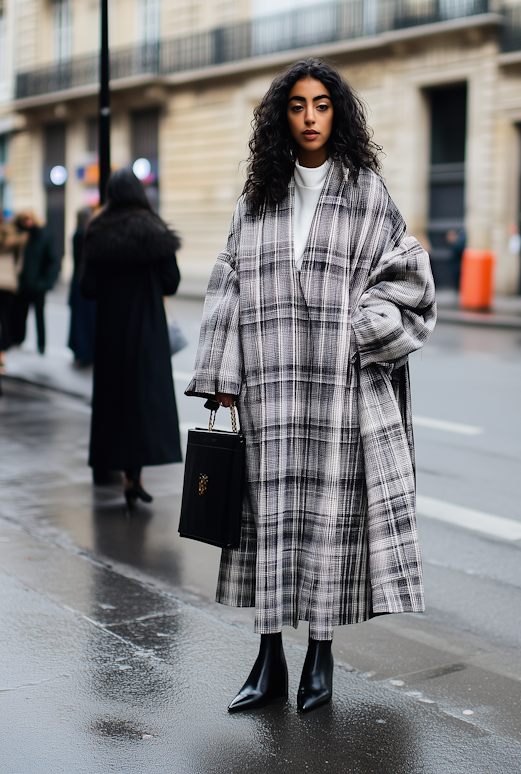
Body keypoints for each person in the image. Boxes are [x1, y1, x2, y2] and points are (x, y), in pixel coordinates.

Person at [186, 58, 437, 714]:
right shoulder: (258, 197)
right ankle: (267, 657)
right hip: (269, 389)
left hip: (336, 390)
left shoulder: (366, 192)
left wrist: (362, 330)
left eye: (321, 105)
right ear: (281, 116)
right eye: (297, 106)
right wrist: (222, 377)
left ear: (337, 112)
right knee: (265, 522)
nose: (309, 118)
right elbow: (229, 283)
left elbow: (406, 271)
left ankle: (319, 657)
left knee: (324, 523)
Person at [80, 168, 182, 507]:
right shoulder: (154, 229)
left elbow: (88, 287)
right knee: (144, 403)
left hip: (111, 333)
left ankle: (127, 475)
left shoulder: (97, 230)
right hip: (148, 330)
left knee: (116, 404)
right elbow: (171, 281)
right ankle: (136, 477)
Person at [12, 212, 59, 355]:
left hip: (38, 285)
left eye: (29, 218)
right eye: (23, 219)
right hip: (22, 284)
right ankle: (18, 340)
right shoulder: (18, 237)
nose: (27, 222)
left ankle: (41, 345)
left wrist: (46, 282)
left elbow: (52, 261)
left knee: (39, 316)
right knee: (20, 315)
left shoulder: (43, 236)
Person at [68, 207, 96, 365]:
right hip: (85, 279)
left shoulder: (78, 233)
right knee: (87, 320)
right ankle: (86, 352)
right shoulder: (85, 234)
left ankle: (82, 352)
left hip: (78, 279)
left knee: (80, 320)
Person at [0, 215, 29, 372]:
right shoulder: (15, 237)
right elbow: (19, 262)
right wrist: (15, 276)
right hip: (9, 282)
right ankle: (2, 354)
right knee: (5, 317)